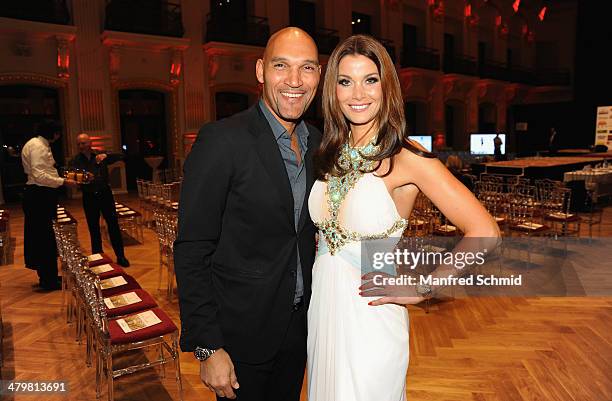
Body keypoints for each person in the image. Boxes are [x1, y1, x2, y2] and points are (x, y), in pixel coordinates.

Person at [307, 35, 500, 401]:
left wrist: (425, 288)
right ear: (333, 90)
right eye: (345, 81)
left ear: (387, 87)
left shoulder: (408, 156)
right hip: (324, 314)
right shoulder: (329, 152)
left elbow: (486, 231)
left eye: (370, 79)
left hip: (372, 316)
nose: (357, 93)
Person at [174, 27, 321, 401]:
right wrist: (207, 347)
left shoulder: (320, 143)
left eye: (307, 68)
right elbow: (192, 249)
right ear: (260, 71)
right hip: (240, 339)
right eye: (281, 66)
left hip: (300, 329)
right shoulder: (222, 141)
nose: (294, 80)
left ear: (318, 76)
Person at [21, 120, 77, 290]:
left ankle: (49, 276)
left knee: (43, 237)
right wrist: (63, 182)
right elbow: (39, 175)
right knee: (44, 238)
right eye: (58, 132)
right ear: (52, 132)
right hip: (40, 195)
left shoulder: (36, 143)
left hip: (39, 195)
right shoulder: (38, 146)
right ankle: (48, 280)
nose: (58, 136)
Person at [69, 134, 130, 267]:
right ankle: (99, 258)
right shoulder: (75, 160)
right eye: (78, 144)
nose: (80, 146)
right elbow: (72, 177)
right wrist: (83, 179)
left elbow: (121, 155)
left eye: (83, 143)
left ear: (89, 143)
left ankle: (120, 256)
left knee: (113, 225)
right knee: (93, 227)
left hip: (105, 194)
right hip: (89, 196)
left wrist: (106, 156)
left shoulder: (99, 154)